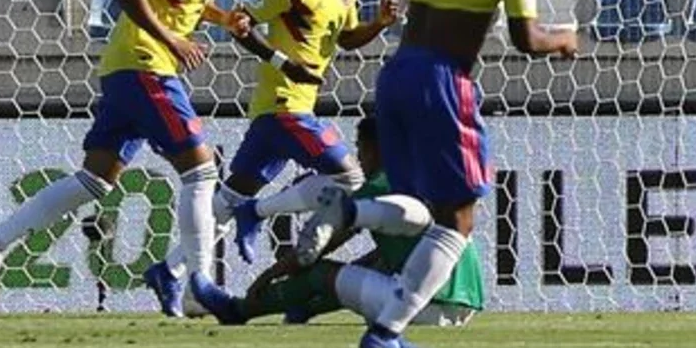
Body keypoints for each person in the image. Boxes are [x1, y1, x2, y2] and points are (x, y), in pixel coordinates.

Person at [295, 0, 577, 348]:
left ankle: (353, 213)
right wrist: (565, 39)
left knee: (421, 208)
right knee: (459, 219)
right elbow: (525, 39)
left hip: (398, 72)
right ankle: (385, 332)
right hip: (443, 80)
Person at [0, 0, 255, 316]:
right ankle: (200, 287)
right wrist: (172, 40)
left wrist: (222, 20)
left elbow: (183, 1)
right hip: (145, 65)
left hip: (128, 70)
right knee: (200, 172)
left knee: (96, 180)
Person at [209, 0, 398, 264]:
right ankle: (259, 211)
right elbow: (239, 25)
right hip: (285, 105)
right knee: (350, 179)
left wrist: (379, 23)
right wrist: (283, 63)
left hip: (285, 111)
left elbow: (345, 38)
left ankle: (174, 272)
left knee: (228, 199)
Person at [195, 115, 484, 327]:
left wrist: (269, 275)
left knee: (320, 273)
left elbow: (318, 246)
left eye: (360, 148)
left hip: (423, 308)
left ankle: (237, 310)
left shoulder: (380, 184)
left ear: (376, 149)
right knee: (372, 265)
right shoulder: (426, 177)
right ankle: (302, 309)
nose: (359, 157)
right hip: (465, 305)